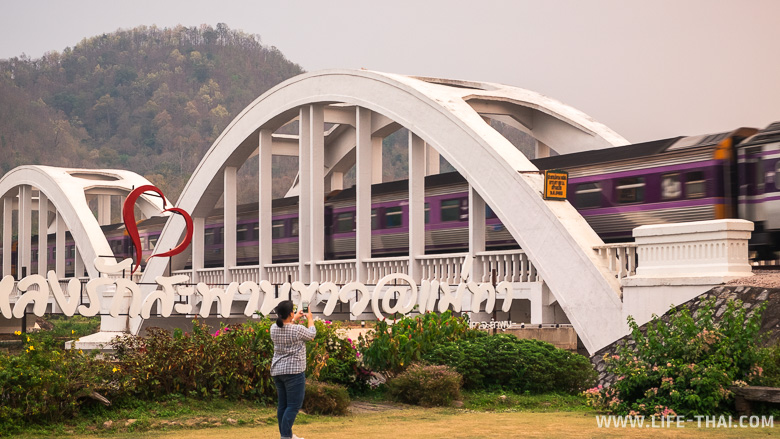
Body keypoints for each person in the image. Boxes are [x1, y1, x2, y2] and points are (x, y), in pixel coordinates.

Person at [271, 300, 316, 439]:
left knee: (283, 406)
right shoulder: (297, 330)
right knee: (294, 405)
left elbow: (285, 326)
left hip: (278, 371)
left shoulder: (273, 328)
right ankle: (285, 436)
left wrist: (294, 318)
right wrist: (310, 319)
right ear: (290, 313)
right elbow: (311, 334)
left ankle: (287, 435)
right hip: (294, 372)